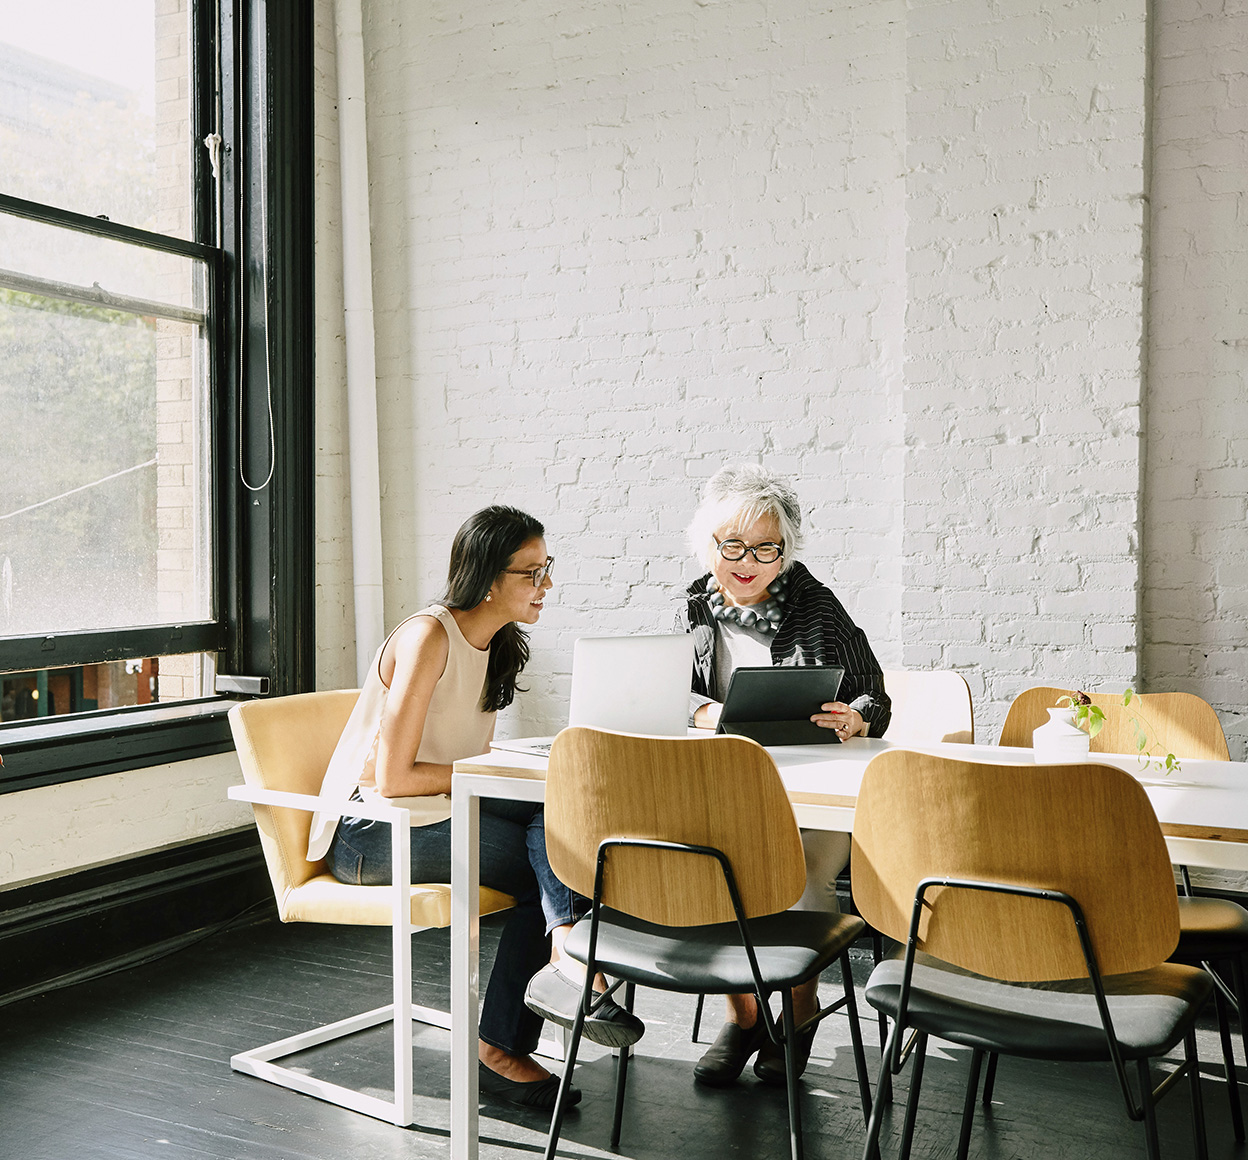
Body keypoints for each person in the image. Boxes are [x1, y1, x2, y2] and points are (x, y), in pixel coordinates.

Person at [307, 505, 641, 1111]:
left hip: (438, 811)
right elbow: (395, 776)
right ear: (488, 577)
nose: (545, 585)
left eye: (547, 569)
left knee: (571, 822)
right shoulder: (428, 634)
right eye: (530, 573)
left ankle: (560, 953)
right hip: (373, 829)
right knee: (560, 860)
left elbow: (460, 761)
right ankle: (524, 1017)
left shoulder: (496, 642)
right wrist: (500, 772)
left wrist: (526, 771)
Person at [678, 464, 891, 1089]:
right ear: (709, 546)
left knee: (796, 874)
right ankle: (744, 1018)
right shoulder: (694, 606)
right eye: (732, 546)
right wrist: (701, 709)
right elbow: (671, 692)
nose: (747, 561)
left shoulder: (818, 606)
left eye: (765, 547)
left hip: (817, 797)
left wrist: (856, 716)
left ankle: (799, 1017)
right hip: (732, 789)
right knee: (711, 868)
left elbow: (874, 694)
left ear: (785, 551)